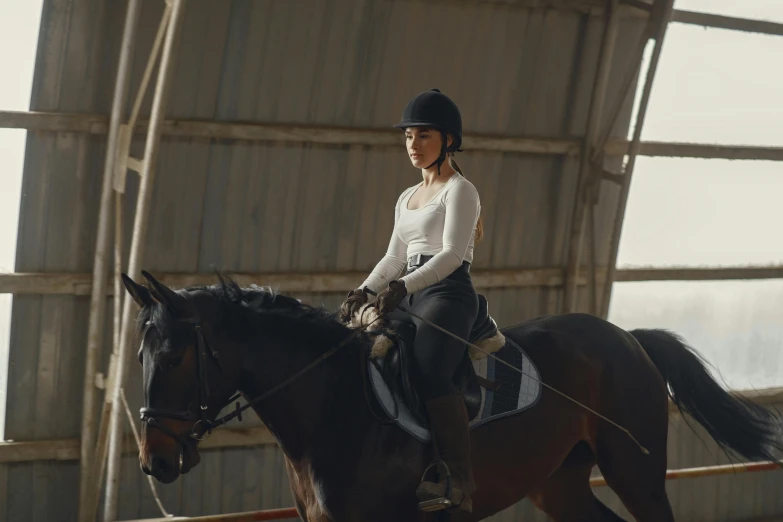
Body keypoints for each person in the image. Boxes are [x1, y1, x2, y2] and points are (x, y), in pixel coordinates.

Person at [339, 89, 483, 513]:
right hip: (409, 288)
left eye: (423, 136)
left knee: (428, 369)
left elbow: (452, 255)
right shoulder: (407, 196)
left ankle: (458, 478)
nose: (413, 146)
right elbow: (394, 257)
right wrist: (364, 289)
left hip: (448, 292)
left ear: (448, 141)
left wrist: (404, 287)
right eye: (408, 138)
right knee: (357, 347)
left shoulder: (460, 190)